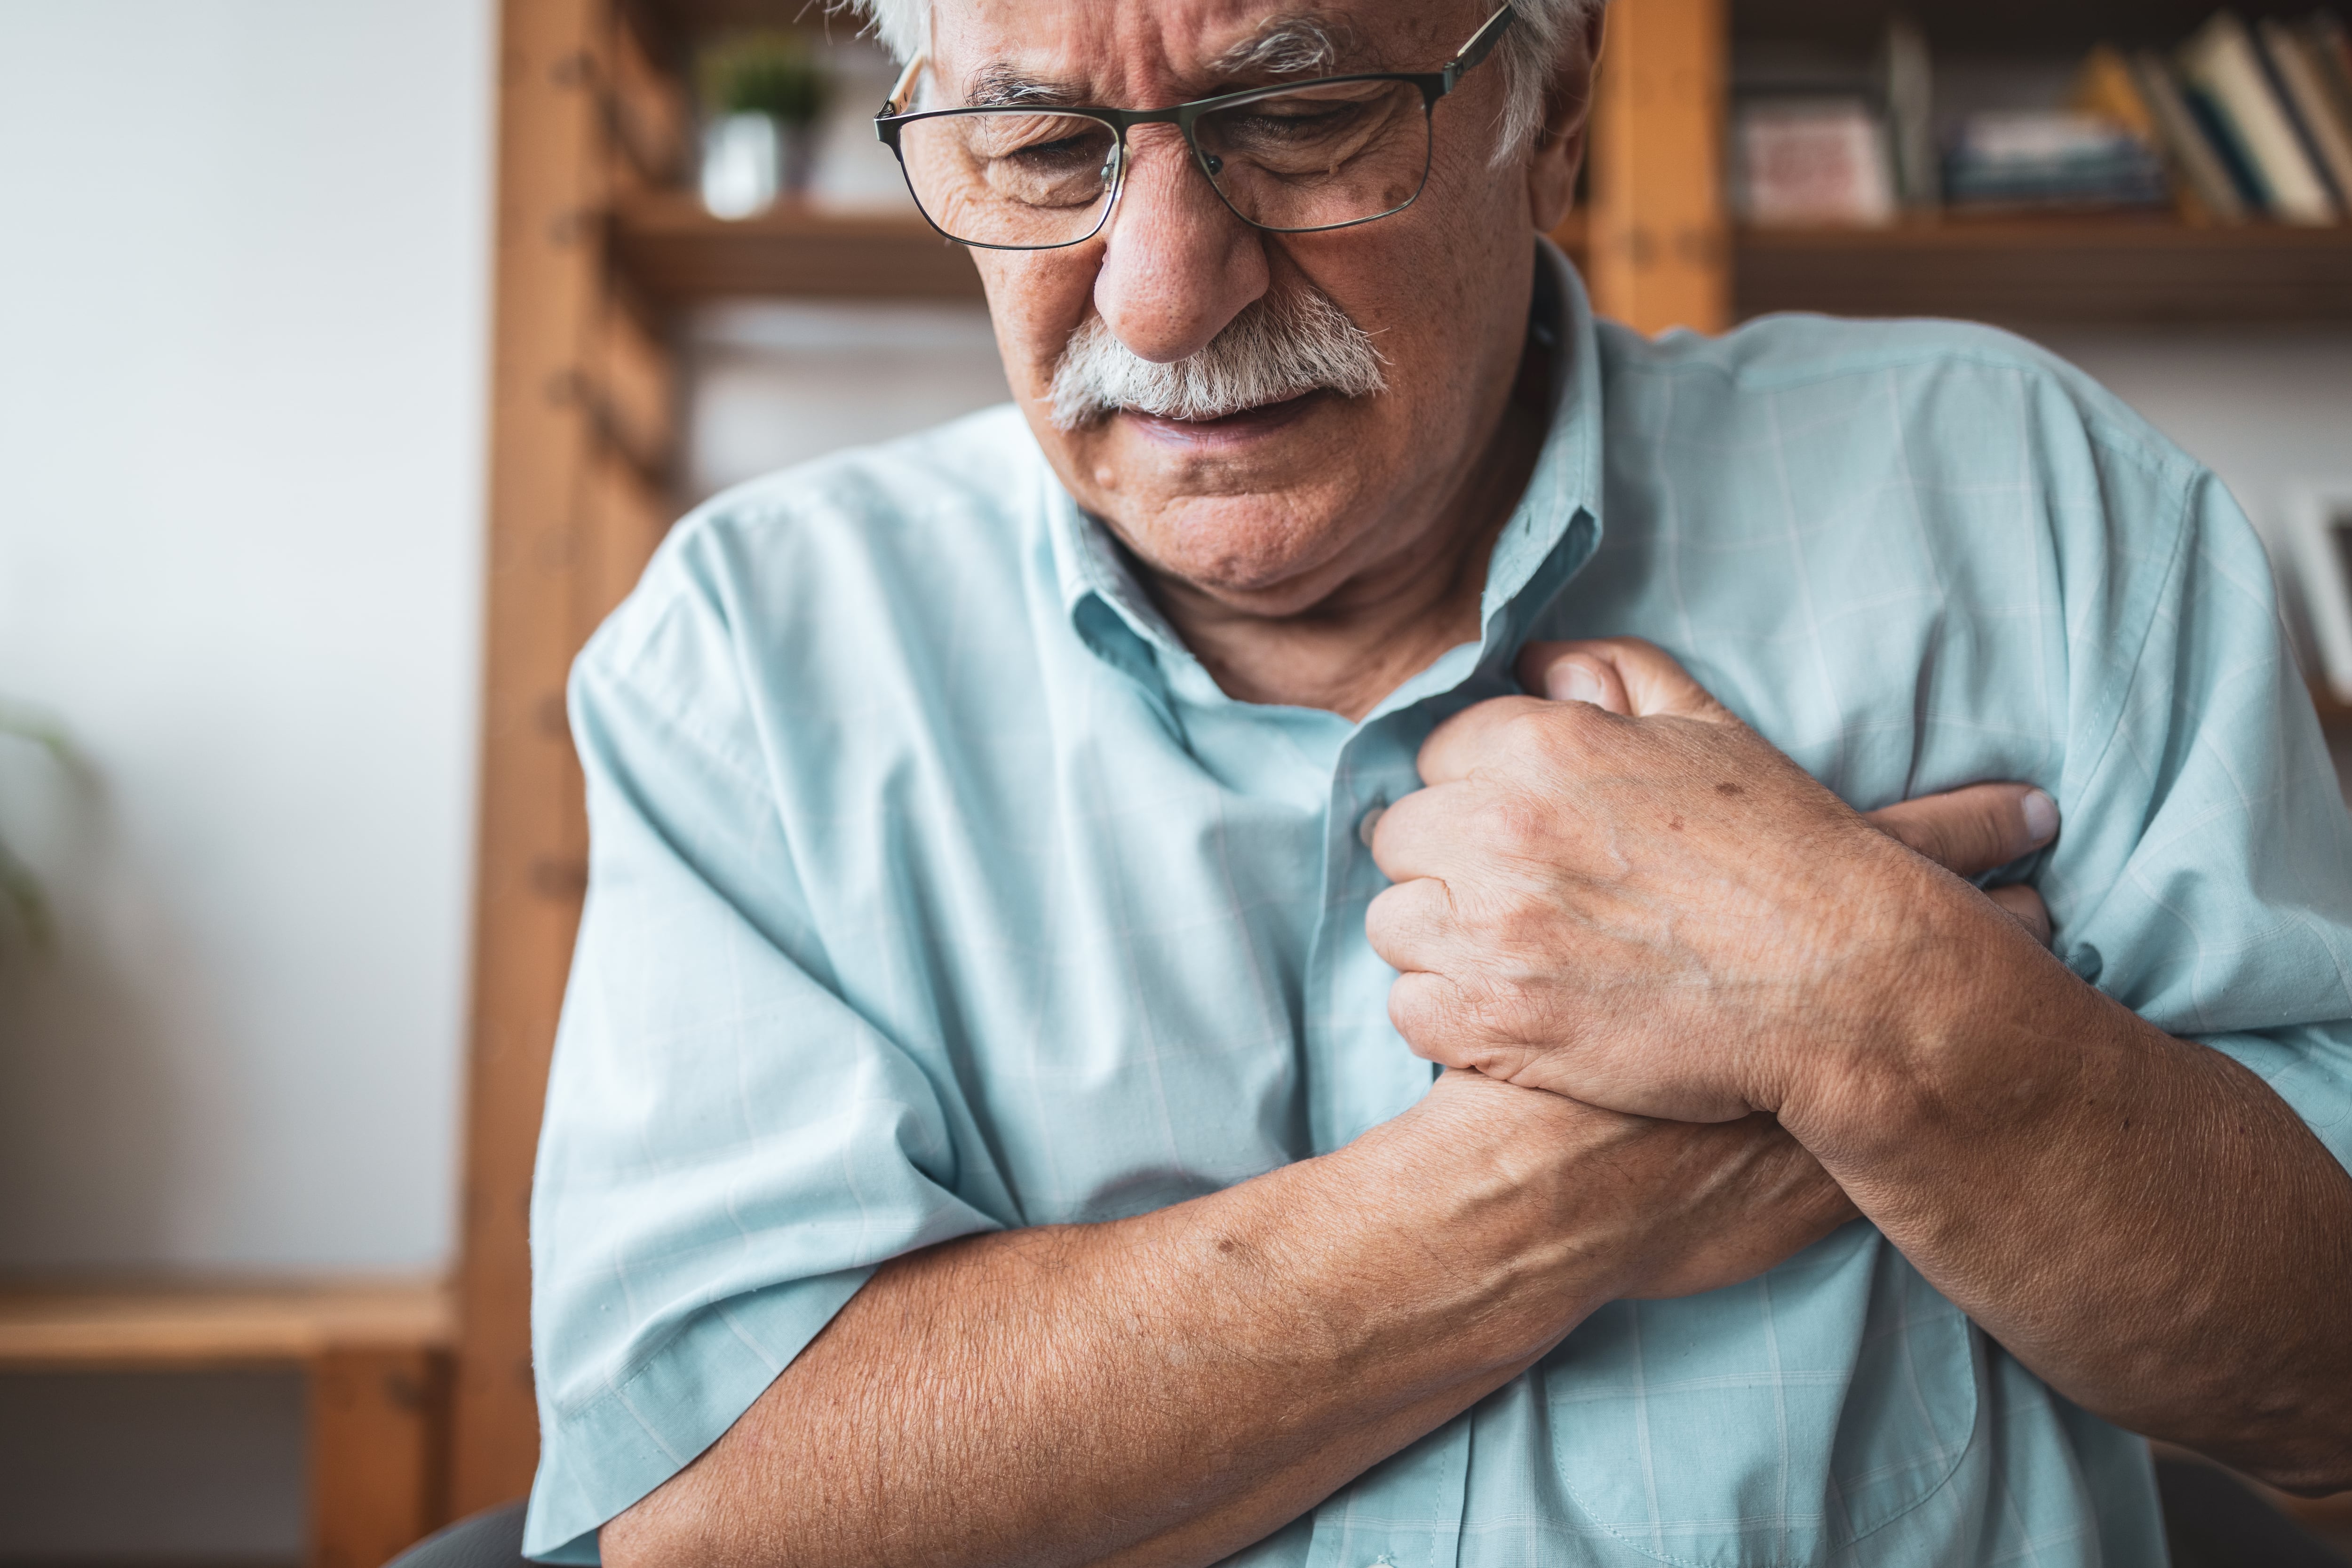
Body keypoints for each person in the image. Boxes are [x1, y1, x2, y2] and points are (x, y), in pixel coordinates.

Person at [520, 2, 2352, 1564]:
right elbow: (701, 1518)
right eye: (1035, 144)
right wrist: (1578, 1168)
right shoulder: (751, 651)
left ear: (1548, 112)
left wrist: (1874, 1001)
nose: (1158, 299)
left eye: (1299, 119)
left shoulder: (2018, 498)